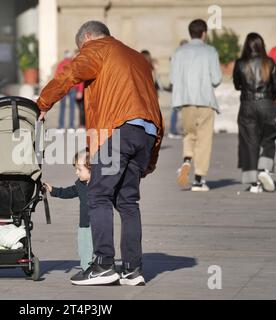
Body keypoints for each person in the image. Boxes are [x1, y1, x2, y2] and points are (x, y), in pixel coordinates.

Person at [37, 21, 164, 286]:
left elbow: (70, 73)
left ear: (87, 38)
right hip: (146, 132)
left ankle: (104, 264)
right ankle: (132, 270)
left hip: (118, 129)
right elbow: (153, 104)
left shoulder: (97, 48)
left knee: (98, 194)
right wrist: (150, 158)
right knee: (128, 202)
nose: (81, 52)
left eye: (80, 48)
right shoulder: (137, 57)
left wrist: (43, 102)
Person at [170, 19, 222, 192]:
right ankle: (199, 179)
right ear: (204, 33)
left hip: (186, 101)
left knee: (189, 135)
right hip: (205, 100)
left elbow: (172, 79)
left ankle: (187, 160)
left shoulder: (179, 52)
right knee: (204, 139)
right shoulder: (210, 51)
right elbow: (216, 79)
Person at [233, 33, 276, 193]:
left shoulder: (240, 64)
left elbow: (237, 85)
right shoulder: (269, 63)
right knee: (269, 139)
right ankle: (264, 170)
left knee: (249, 143)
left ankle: (253, 184)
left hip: (247, 106)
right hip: (267, 104)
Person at [43, 149, 93, 278]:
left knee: (99, 247)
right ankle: (86, 268)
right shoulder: (80, 184)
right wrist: (53, 190)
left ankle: (100, 267)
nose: (76, 172)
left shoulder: (101, 185)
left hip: (98, 224)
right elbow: (68, 192)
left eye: (79, 169)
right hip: (84, 224)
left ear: (91, 168)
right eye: (75, 169)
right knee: (84, 248)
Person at [55, 50, 77, 131]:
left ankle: (61, 126)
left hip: (63, 87)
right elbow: (77, 76)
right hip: (72, 87)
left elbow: (57, 77)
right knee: (72, 107)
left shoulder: (61, 64)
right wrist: (79, 89)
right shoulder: (73, 63)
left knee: (62, 107)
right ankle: (71, 126)